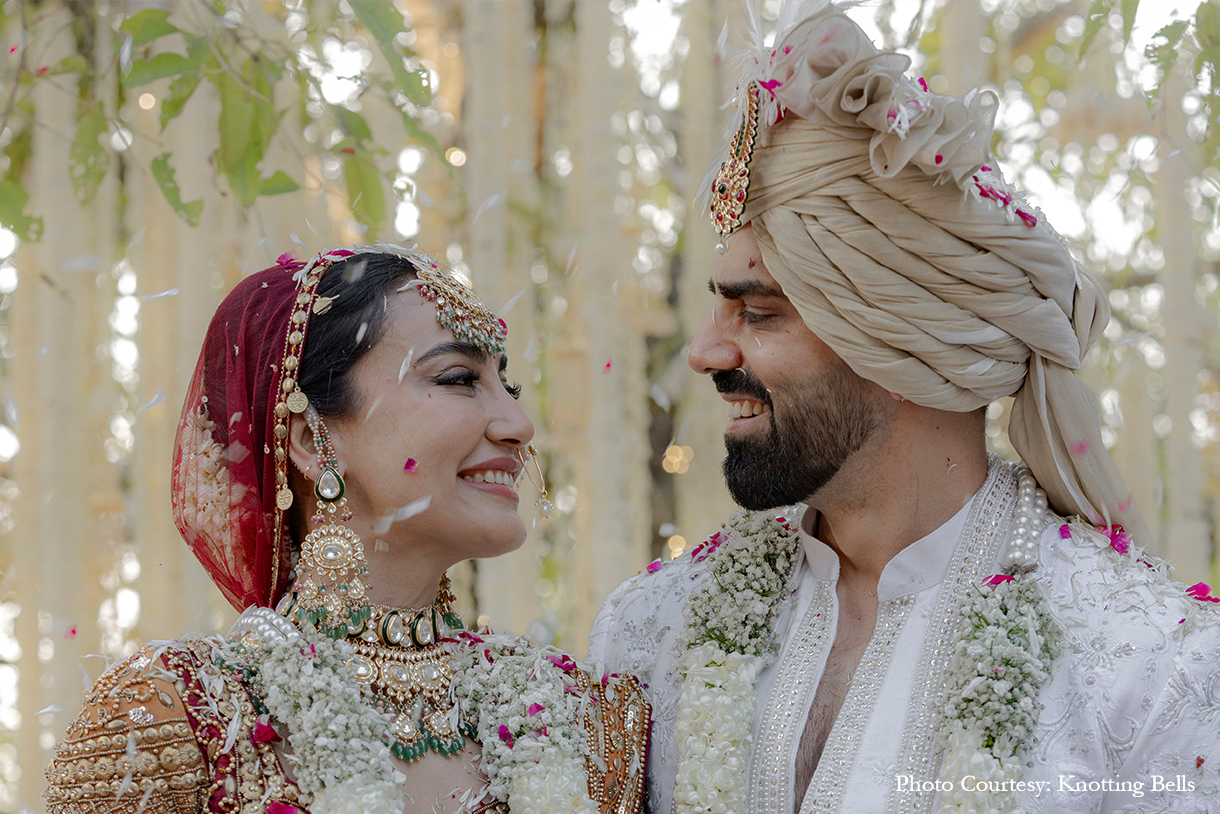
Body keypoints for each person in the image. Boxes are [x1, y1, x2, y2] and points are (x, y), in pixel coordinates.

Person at [588, 5, 1219, 814]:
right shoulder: (651, 631)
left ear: (897, 343)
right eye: (718, 306)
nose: (705, 353)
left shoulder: (1145, 669)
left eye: (759, 311)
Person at [45, 246, 648, 814]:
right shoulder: (176, 721)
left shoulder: (581, 719)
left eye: (507, 386)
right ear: (314, 440)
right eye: (459, 378)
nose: (519, 424)